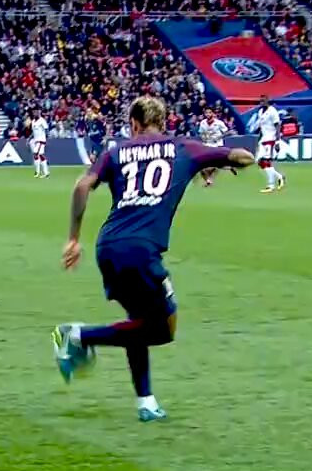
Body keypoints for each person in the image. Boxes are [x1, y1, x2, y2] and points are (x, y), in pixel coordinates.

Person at [51, 96, 255, 421]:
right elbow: (241, 157)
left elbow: (82, 185)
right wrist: (234, 159)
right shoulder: (183, 148)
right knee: (163, 329)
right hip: (141, 250)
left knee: (138, 321)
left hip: (109, 245)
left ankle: (146, 402)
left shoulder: (115, 152)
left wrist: (74, 238)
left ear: (134, 124)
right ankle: (76, 335)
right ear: (163, 122)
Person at [255, 95, 285, 193]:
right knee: (259, 161)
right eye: (260, 101)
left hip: (270, 139)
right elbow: (261, 127)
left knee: (266, 161)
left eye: (263, 101)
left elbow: (277, 126)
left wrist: (277, 141)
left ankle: (271, 185)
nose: (261, 103)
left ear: (268, 101)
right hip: (263, 139)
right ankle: (279, 177)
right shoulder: (260, 112)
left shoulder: (272, 111)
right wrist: (259, 140)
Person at [198, 106, 230, 186]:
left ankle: (210, 179)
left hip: (217, 145)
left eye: (209, 112)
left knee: (214, 164)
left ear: (213, 113)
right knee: (202, 166)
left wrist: (219, 137)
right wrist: (203, 138)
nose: (208, 114)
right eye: (206, 113)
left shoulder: (219, 123)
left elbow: (227, 132)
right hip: (206, 144)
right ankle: (208, 180)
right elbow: (201, 133)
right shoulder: (202, 123)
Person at [29, 108, 50, 178]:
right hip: (36, 140)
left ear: (39, 113)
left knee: (35, 153)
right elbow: (33, 132)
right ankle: (46, 172)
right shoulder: (33, 122)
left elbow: (46, 129)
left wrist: (46, 138)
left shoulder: (42, 121)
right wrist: (29, 138)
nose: (35, 114)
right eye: (34, 112)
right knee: (40, 155)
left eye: (36, 112)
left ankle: (37, 172)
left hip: (41, 140)